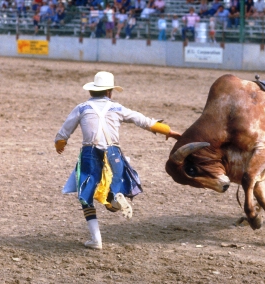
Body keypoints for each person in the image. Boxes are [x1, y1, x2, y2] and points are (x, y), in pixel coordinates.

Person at [54, 71, 181, 250]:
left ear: (92, 91)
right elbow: (144, 121)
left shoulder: (82, 108)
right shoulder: (118, 108)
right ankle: (115, 199)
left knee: (86, 196)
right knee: (111, 194)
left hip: (90, 153)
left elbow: (65, 130)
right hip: (114, 154)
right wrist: (169, 131)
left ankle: (96, 239)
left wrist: (60, 144)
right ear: (109, 93)